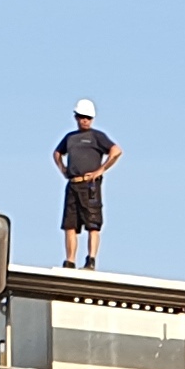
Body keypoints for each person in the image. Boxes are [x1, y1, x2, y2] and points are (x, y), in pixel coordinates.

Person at [54, 98, 119, 268]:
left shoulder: (97, 136)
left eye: (88, 117)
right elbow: (57, 153)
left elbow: (116, 151)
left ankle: (91, 259)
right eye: (82, 117)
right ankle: (70, 260)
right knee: (70, 224)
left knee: (93, 223)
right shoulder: (70, 138)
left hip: (90, 185)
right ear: (76, 117)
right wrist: (63, 169)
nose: (85, 120)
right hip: (73, 184)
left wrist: (100, 170)